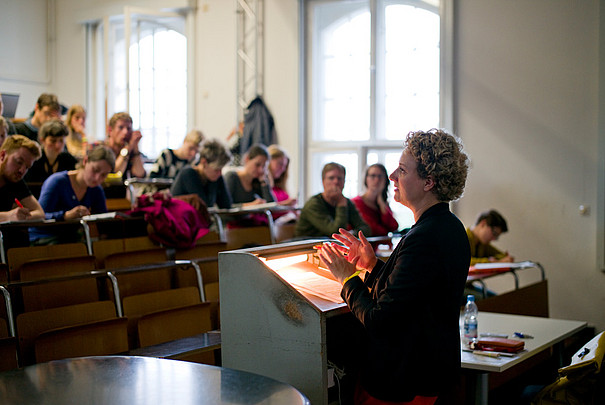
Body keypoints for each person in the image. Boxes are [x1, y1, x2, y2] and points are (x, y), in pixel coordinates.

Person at [318, 129, 471, 404]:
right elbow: (410, 294)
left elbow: (380, 320)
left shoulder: (425, 236)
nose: (392, 177)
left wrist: (347, 277)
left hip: (408, 380)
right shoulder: (447, 226)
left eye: (402, 170)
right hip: (429, 371)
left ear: (429, 182)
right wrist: (372, 265)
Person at [29, 146, 115, 244]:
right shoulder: (57, 182)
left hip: (69, 239)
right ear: (85, 161)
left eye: (104, 175)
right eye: (95, 170)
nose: (97, 178)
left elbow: (102, 222)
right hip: (43, 237)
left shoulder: (96, 190)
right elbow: (40, 217)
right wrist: (65, 216)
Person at [295, 162, 370, 238]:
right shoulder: (314, 204)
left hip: (328, 246)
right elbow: (335, 233)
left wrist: (352, 234)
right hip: (306, 246)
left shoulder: (347, 202)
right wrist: (341, 205)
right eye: (331, 178)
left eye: (340, 178)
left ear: (344, 182)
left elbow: (366, 229)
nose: (336, 182)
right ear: (323, 181)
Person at [171, 139, 233, 209]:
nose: (220, 173)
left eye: (221, 169)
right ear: (204, 162)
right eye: (216, 170)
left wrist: (218, 180)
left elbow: (227, 205)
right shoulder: (188, 174)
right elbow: (205, 206)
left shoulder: (214, 177)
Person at [0, 135, 44, 222]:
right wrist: (8, 216)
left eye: (27, 167)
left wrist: (20, 216)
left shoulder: (16, 180)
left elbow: (40, 214)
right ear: (3, 155)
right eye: (19, 162)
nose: (22, 171)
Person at [24, 120, 78, 188]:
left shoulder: (69, 160)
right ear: (42, 140)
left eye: (61, 140)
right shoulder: (34, 160)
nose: (57, 145)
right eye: (53, 141)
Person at [352, 163, 399, 236]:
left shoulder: (383, 203)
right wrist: (386, 231)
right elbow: (372, 229)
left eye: (380, 176)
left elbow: (394, 227)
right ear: (366, 179)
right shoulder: (356, 202)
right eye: (373, 176)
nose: (377, 180)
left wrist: (382, 205)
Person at [104, 112, 145, 178]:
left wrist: (135, 148)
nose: (125, 132)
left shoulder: (130, 149)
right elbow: (115, 173)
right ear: (110, 130)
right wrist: (127, 149)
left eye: (128, 129)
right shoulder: (102, 149)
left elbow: (139, 174)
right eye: (121, 127)